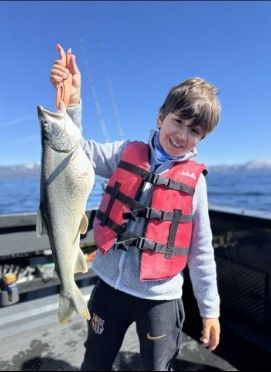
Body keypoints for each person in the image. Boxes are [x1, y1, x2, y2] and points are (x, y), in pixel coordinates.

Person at [50, 44, 221, 371]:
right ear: (160, 117)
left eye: (195, 130)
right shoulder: (124, 152)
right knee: (95, 360)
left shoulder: (195, 182)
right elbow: (74, 152)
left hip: (161, 299)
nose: (182, 134)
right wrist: (72, 104)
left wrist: (209, 309)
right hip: (108, 290)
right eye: (178, 121)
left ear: (203, 137)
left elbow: (200, 249)